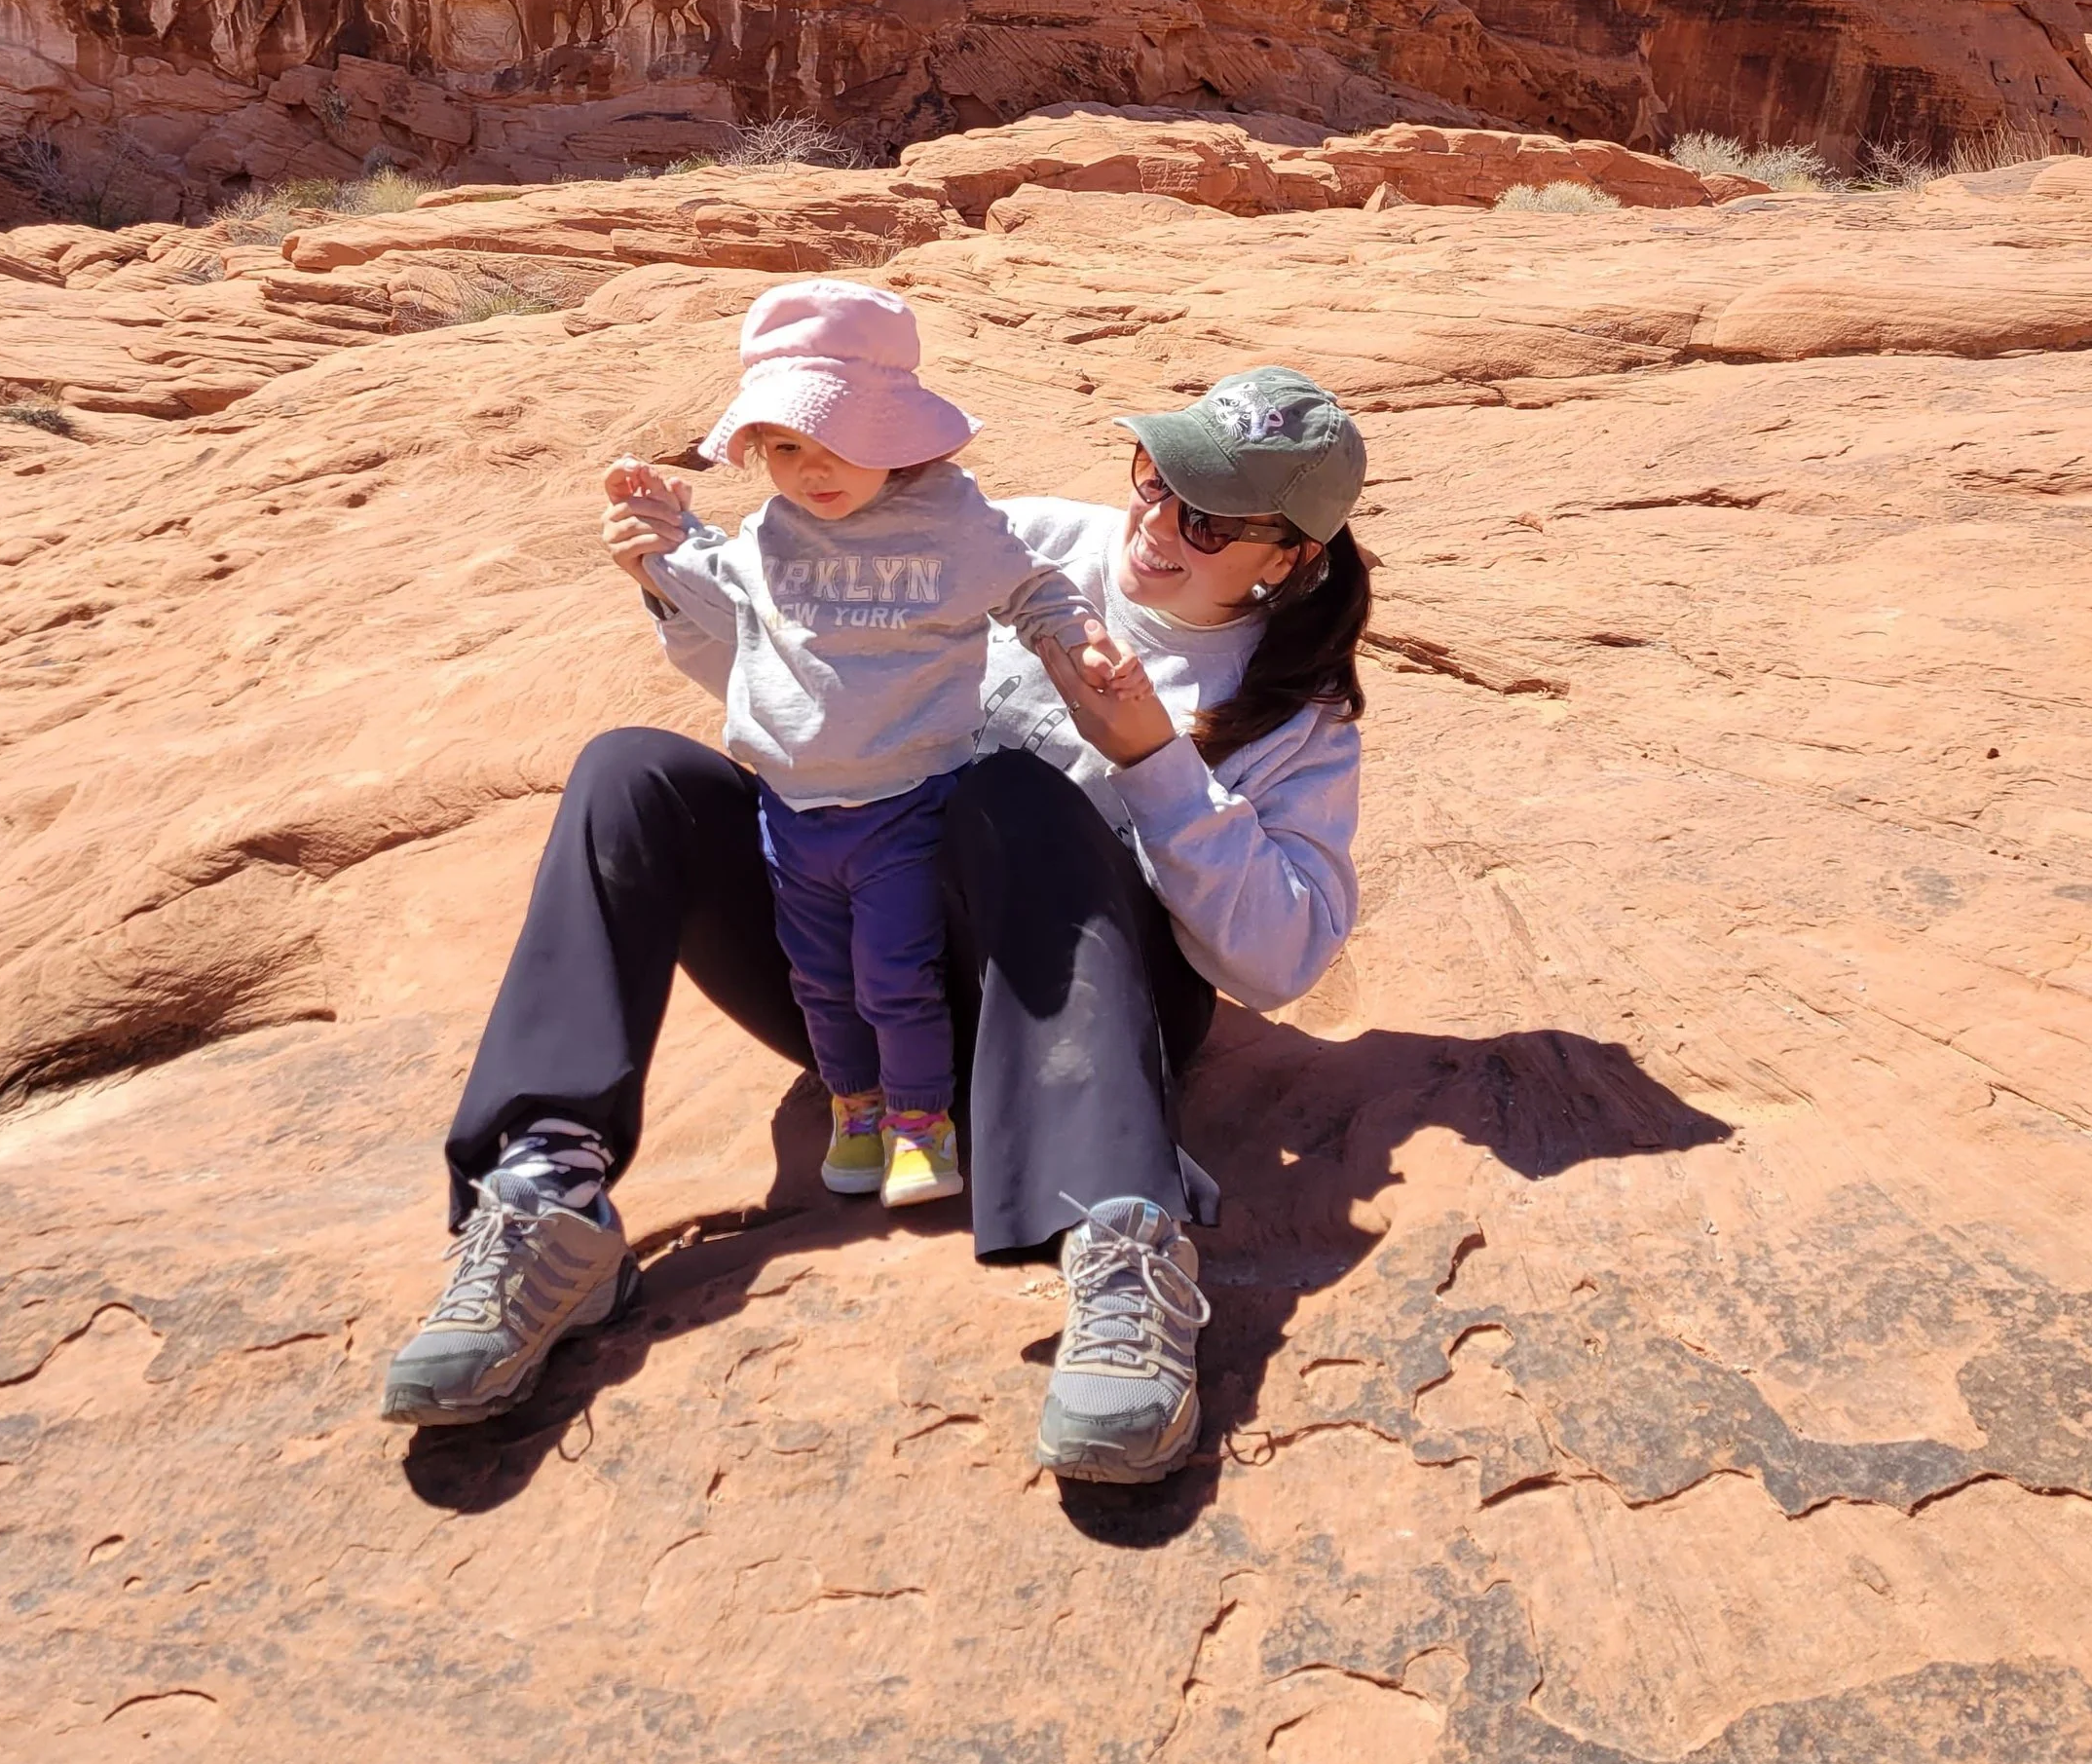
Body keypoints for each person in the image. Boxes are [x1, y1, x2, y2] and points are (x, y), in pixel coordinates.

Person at [381, 359, 1371, 1485]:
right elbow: (805, 687)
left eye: (1208, 520)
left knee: (1011, 792)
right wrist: (673, 583)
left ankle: (1122, 1235)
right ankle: (544, 1195)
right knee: (631, 775)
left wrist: (1149, 757)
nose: (1158, 524)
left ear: (1290, 556)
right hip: (859, 974)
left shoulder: (1298, 715)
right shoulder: (1028, 539)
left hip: (1071, 1025)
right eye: (1154, 477)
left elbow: (1283, 957)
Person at [611, 277, 1109, 1212]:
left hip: (909, 799)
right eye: (788, 445)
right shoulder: (774, 530)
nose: (815, 470)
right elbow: (717, 589)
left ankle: (923, 1118)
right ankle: (856, 1105)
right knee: (819, 979)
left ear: (899, 436)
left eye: (845, 442)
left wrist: (1073, 639)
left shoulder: (951, 519)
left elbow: (1031, 588)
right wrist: (656, 548)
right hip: (790, 809)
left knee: (895, 971)